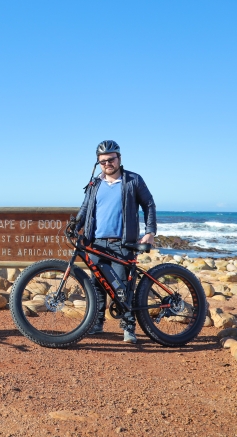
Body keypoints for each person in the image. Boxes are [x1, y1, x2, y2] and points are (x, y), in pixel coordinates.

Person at [75, 140, 156, 344]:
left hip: (122, 244)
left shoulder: (133, 180)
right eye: (102, 161)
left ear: (119, 158)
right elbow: (85, 208)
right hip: (96, 242)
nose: (107, 164)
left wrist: (150, 232)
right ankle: (97, 323)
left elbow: (149, 204)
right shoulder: (95, 183)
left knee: (123, 287)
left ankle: (129, 328)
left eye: (111, 159)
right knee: (97, 284)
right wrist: (76, 225)